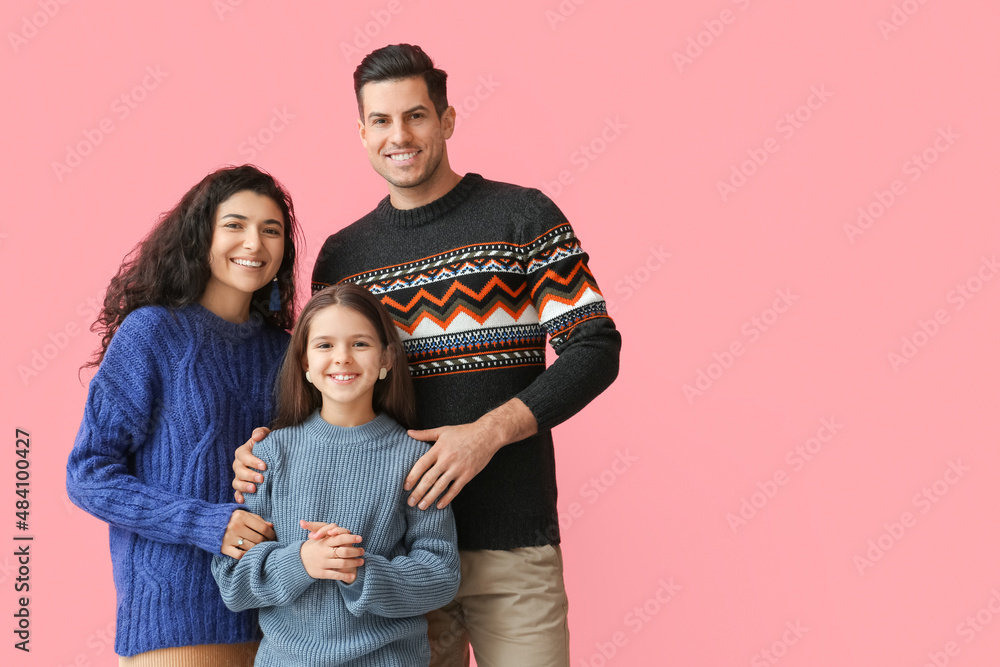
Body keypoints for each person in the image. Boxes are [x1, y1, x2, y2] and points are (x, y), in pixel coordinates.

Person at [233, 44, 621, 666]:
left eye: (415, 116)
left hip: (510, 543)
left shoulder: (522, 215)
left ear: (446, 120)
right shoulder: (344, 256)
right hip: (387, 563)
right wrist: (267, 449)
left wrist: (487, 433)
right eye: (381, 121)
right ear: (362, 132)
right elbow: (330, 378)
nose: (399, 136)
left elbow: (596, 347)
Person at [66, 165, 300, 665]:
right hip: (176, 621)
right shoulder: (151, 334)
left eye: (271, 229)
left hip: (280, 619)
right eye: (235, 225)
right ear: (202, 236)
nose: (254, 243)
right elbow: (88, 475)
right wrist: (205, 522)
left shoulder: (285, 352)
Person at [212, 283, 460, 666]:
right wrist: (302, 561)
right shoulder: (268, 456)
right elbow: (232, 578)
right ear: (305, 365)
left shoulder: (417, 460)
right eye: (325, 345)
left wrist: (357, 569)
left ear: (386, 359)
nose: (342, 358)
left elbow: (440, 575)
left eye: (360, 344)